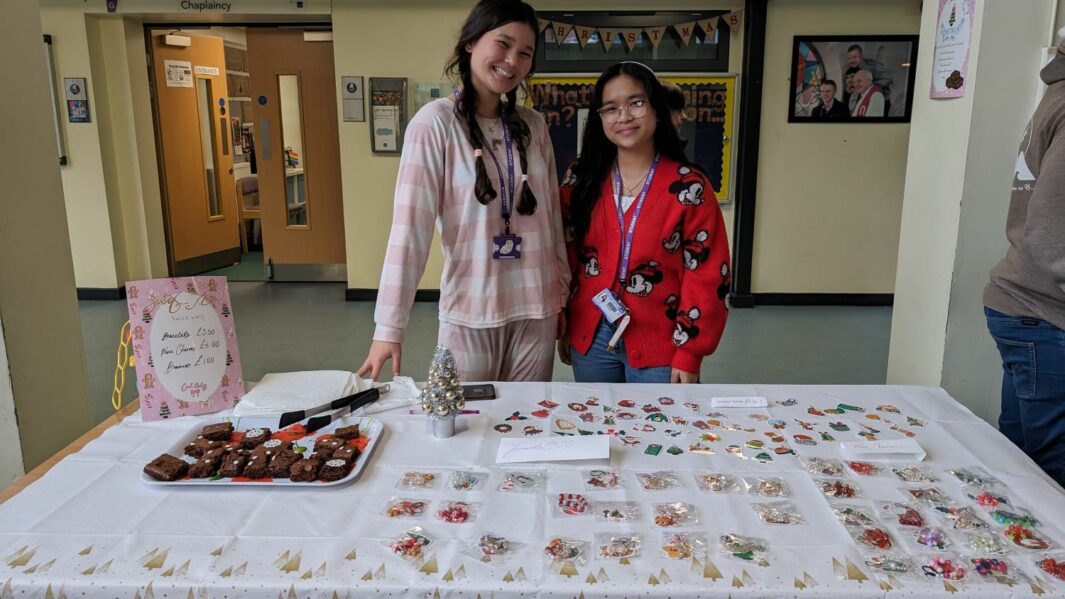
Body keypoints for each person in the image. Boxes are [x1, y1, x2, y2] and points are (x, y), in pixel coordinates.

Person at [358, 0, 569, 382]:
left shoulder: (534, 125)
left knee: (525, 428)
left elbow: (552, 220)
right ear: (471, 42)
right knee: (466, 427)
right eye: (503, 44)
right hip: (472, 311)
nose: (512, 61)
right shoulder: (435, 123)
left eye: (524, 53)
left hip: (538, 309)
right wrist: (388, 328)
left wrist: (561, 298)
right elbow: (410, 231)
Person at [558, 61, 730, 383]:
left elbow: (706, 274)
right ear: (599, 118)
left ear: (656, 108)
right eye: (610, 108)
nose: (623, 116)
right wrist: (565, 321)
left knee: (662, 430)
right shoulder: (580, 178)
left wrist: (690, 351)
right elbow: (566, 256)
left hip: (663, 342)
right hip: (591, 334)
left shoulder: (689, 187)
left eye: (635, 103)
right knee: (598, 426)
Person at [983, 36, 1065, 486]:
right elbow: (1053, 233)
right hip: (1043, 311)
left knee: (1019, 456)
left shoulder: (1054, 96)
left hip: (1023, 306)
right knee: (1049, 467)